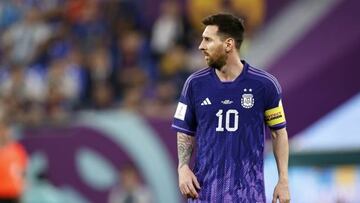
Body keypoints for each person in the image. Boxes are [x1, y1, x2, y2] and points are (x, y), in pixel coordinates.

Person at [172, 13, 290, 203]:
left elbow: (279, 133)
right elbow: (185, 131)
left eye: (208, 40)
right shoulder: (194, 84)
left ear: (228, 44)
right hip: (204, 194)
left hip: (248, 195)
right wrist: (183, 167)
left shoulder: (265, 85)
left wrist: (283, 180)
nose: (201, 46)